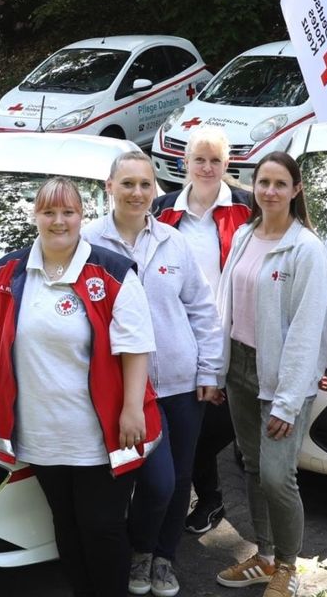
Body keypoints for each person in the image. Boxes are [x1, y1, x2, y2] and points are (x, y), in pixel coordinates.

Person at [0, 177, 161, 597]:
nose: (58, 221)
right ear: (35, 215)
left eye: (68, 212)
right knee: (66, 525)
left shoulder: (111, 272)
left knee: (102, 528)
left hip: (101, 432)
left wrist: (130, 409)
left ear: (81, 216)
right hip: (42, 429)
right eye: (49, 212)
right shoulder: (10, 271)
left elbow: (137, 346)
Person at [84, 152, 221, 597]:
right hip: (124, 388)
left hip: (180, 382)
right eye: (127, 184)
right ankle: (141, 548)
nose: (137, 193)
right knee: (150, 478)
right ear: (109, 187)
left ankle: (163, 559)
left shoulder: (172, 241)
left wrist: (209, 369)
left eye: (145, 185)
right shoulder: (88, 244)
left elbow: (202, 309)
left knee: (179, 477)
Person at [212, 152, 327, 596]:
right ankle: (262, 556)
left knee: (279, 477)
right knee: (252, 466)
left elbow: (307, 329)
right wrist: (216, 368)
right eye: (264, 182)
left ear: (296, 190)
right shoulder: (245, 234)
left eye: (281, 184)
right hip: (240, 368)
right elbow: (225, 306)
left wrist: (287, 399)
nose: (270, 191)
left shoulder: (307, 249)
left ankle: (287, 566)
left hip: (282, 377)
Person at [150, 127, 252, 535]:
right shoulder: (161, 209)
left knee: (216, 426)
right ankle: (208, 499)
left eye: (216, 160)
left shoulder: (247, 206)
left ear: (228, 165)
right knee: (190, 422)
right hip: (176, 337)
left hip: (233, 336)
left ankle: (203, 496)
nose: (207, 168)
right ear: (184, 163)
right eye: (199, 160)